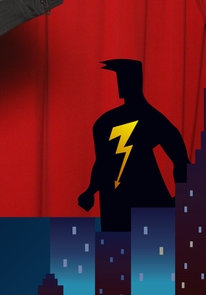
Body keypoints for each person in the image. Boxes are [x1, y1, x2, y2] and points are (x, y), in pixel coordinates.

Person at [77, 59, 189, 231]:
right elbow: (103, 162)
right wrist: (91, 190)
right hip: (116, 204)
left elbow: (181, 160)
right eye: (120, 79)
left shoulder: (151, 119)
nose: (121, 84)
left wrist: (182, 197)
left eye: (124, 78)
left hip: (146, 202)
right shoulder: (105, 123)